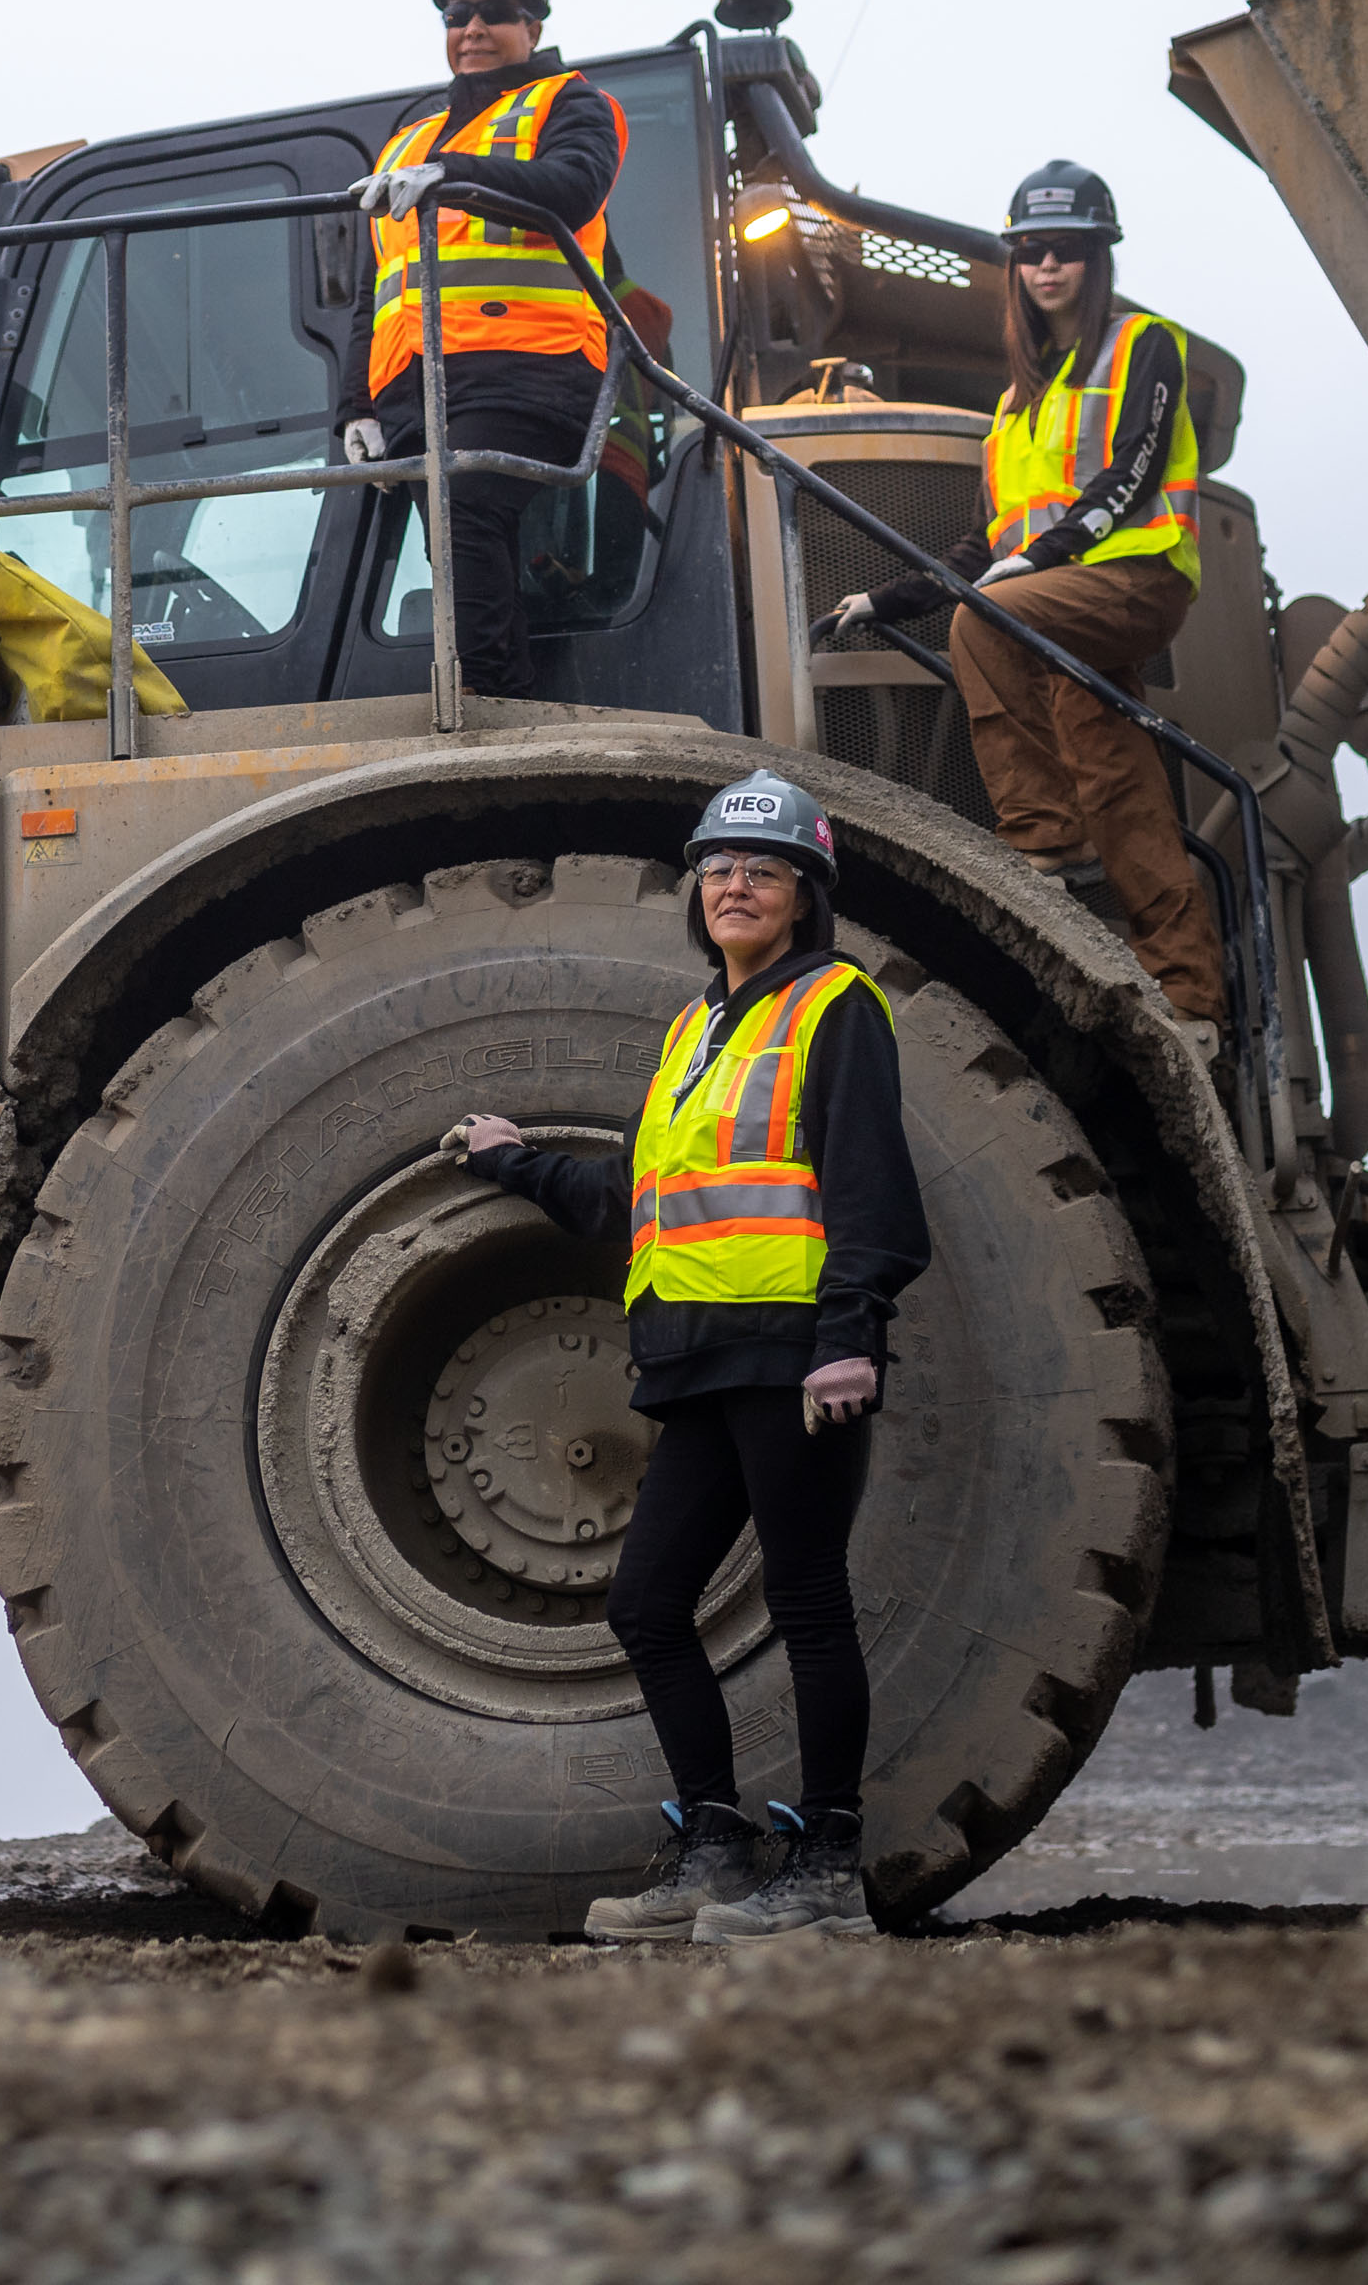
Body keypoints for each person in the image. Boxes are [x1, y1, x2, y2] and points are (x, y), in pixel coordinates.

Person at [445, 771, 929, 1943]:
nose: (736, 887)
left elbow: (872, 1184)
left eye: (763, 871)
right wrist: (518, 1162)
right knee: (649, 1602)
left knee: (809, 1603)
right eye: (717, 870)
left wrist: (850, 1334)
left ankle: (826, 1866)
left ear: (805, 895)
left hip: (793, 1358)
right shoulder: (695, 1027)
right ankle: (714, 1846)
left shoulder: (834, 1006)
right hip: (694, 1361)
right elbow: (643, 1191)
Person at [827, 160, 1225, 1044]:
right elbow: (985, 545)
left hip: (1138, 578)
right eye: (1032, 252)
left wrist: (1043, 559)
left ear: (1098, 260)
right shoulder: (1014, 405)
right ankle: (1193, 997)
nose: (1048, 267)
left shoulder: (1145, 344)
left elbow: (1135, 473)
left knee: (989, 618)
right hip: (1061, 609)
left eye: (1068, 251)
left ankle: (1043, 835)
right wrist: (886, 599)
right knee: (1126, 790)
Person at [343, 0, 629, 700]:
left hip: (528, 374)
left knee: (464, 504)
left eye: (494, 11)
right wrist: (355, 407)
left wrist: (454, 175)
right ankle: (491, 692)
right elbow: (376, 288)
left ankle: (487, 705)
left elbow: (572, 187)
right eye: (456, 13)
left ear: (532, 25)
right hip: (417, 392)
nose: (472, 28)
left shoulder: (572, 104)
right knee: (456, 534)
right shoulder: (405, 142)